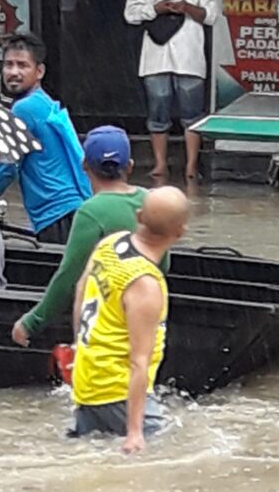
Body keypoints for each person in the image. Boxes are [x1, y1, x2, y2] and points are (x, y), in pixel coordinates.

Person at [11, 125, 167, 347]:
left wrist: (32, 322)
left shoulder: (90, 212)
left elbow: (69, 276)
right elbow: (163, 263)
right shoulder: (150, 200)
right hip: (148, 319)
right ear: (130, 166)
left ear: (84, 165)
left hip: (108, 323)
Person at [70, 186, 189, 453]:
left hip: (87, 381)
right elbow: (139, 361)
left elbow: (81, 289)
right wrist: (134, 432)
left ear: (138, 216)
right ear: (180, 233)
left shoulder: (109, 244)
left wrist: (79, 345)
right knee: (165, 455)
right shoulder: (145, 284)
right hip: (117, 391)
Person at [124, 0, 218, 182]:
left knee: (193, 115)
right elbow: (130, 15)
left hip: (190, 57)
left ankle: (191, 165)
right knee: (157, 113)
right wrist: (156, 8)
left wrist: (187, 7)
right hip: (156, 56)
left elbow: (212, 16)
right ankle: (160, 164)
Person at [0, 34, 91, 243]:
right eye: (8, 65)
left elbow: (8, 166)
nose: (13, 72)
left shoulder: (24, 108)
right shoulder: (43, 102)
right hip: (71, 208)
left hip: (56, 212)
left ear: (39, 71)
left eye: (22, 65)